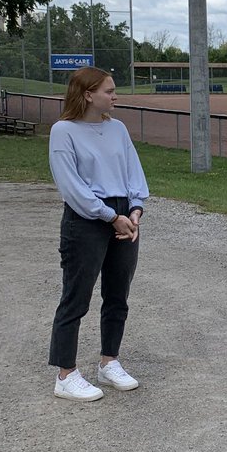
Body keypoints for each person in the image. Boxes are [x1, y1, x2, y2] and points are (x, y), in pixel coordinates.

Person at [48, 67, 149, 401]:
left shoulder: (117, 129)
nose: (114, 96)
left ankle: (110, 361)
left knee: (118, 295)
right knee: (76, 297)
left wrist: (134, 210)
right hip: (88, 219)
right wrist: (110, 216)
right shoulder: (64, 131)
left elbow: (134, 171)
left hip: (124, 213)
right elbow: (72, 187)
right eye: (109, 91)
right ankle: (66, 374)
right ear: (88, 94)